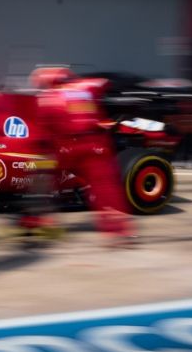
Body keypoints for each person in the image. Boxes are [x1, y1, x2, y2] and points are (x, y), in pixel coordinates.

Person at [31, 66, 136, 247]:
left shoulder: (48, 98)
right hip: (96, 146)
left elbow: (43, 135)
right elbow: (110, 82)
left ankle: (38, 219)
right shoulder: (88, 86)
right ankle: (120, 230)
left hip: (68, 148)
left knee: (42, 178)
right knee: (106, 189)